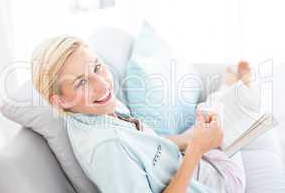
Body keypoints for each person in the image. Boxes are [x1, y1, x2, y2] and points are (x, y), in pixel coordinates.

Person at [32, 36, 246, 193]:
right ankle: (233, 87)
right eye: (81, 82)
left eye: (97, 68)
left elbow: (143, 147)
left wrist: (189, 140)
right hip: (218, 182)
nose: (102, 84)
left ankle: (228, 89)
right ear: (59, 100)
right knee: (228, 115)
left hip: (186, 161)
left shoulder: (96, 109)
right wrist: (197, 149)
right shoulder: (106, 147)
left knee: (211, 113)